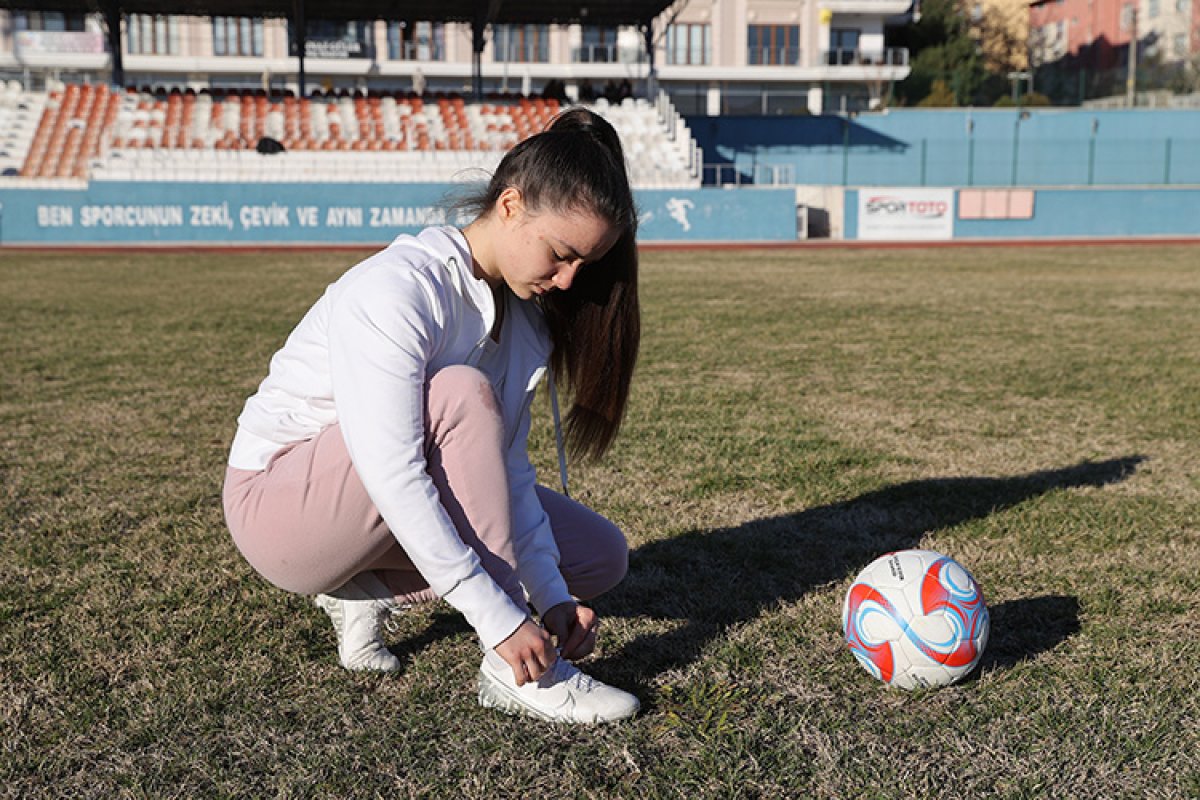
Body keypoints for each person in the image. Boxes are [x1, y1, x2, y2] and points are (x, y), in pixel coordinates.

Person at [222, 108, 641, 725]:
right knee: (460, 393)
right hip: (280, 514)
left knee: (600, 556)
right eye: (560, 253)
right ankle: (515, 672)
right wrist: (503, 619)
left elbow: (508, 473)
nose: (569, 278)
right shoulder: (399, 289)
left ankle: (359, 589)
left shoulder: (523, 323)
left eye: (585, 264)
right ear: (509, 204)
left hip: (371, 503)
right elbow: (393, 472)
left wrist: (550, 598)